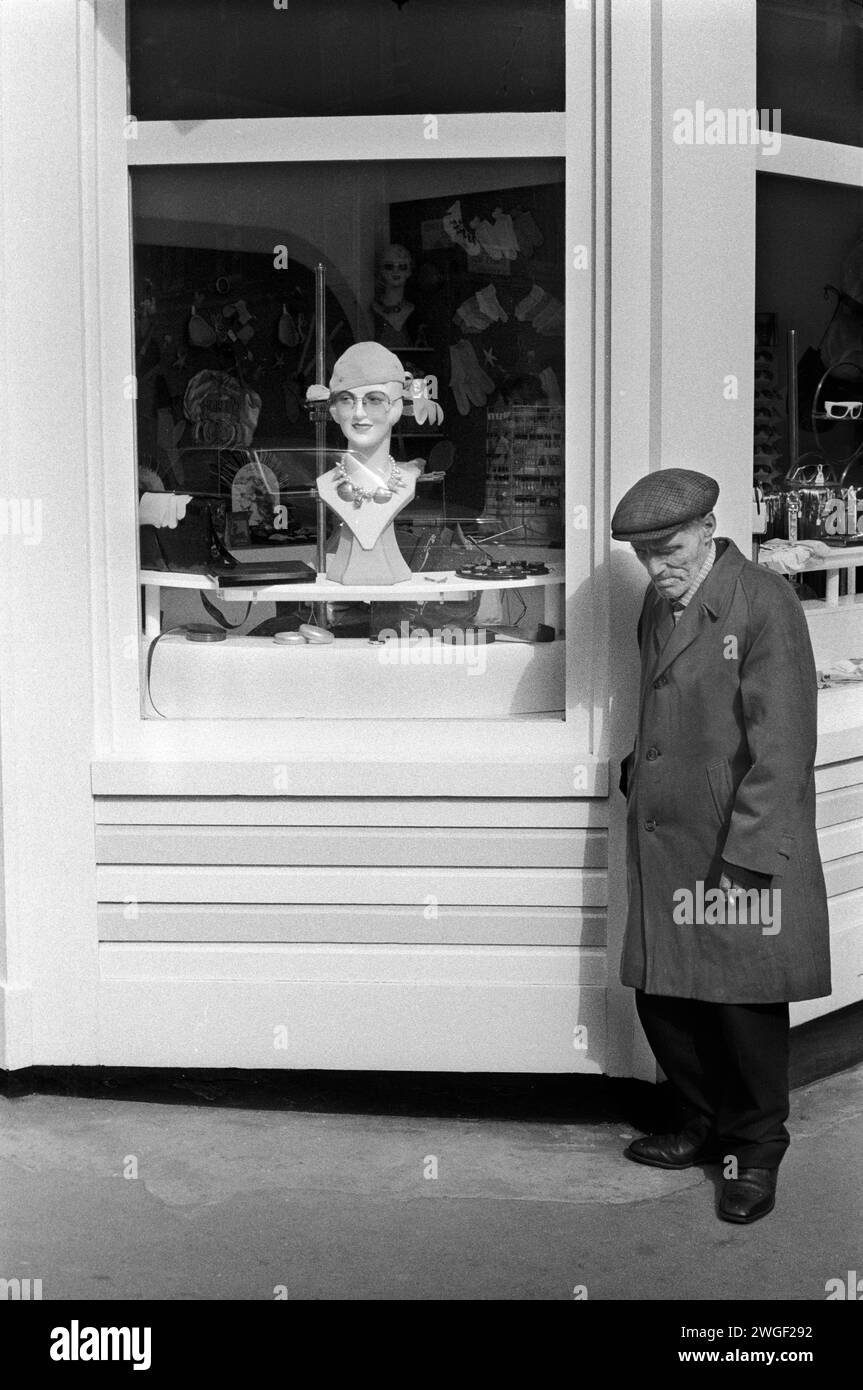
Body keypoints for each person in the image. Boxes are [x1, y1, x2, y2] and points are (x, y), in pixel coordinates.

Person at [612, 468, 831, 1224]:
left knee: (741, 1009)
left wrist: (748, 858)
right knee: (665, 998)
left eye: (668, 548)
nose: (656, 566)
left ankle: (755, 1150)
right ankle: (704, 1126)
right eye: (643, 554)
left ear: (708, 529)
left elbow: (783, 745)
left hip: (732, 844)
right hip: (667, 837)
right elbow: (662, 697)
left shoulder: (762, 603)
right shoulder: (659, 599)